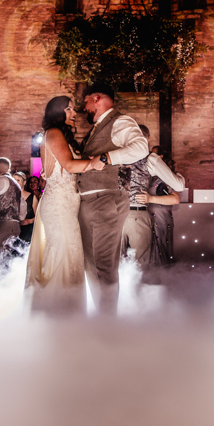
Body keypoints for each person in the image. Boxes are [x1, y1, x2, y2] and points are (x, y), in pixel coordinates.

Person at [25, 95, 104, 314]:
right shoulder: (53, 132)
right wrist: (99, 162)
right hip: (59, 203)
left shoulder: (62, 135)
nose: (74, 113)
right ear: (57, 113)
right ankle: (56, 312)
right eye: (68, 109)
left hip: (68, 204)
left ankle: (68, 311)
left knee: (71, 254)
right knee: (62, 254)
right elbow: (69, 165)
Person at [77, 81, 149, 314]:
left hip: (105, 199)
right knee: (91, 265)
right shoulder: (97, 127)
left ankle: (108, 322)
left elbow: (140, 148)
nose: (84, 107)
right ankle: (101, 315)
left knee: (104, 264)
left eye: (86, 102)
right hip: (89, 200)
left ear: (97, 97)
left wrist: (107, 157)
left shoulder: (120, 120)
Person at [121, 126, 184, 271]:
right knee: (138, 261)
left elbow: (176, 198)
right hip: (140, 216)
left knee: (153, 257)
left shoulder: (168, 175)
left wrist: (150, 199)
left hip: (156, 218)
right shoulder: (144, 164)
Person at [16, 172, 37, 243]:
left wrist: (29, 221)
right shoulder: (9, 197)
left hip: (28, 231)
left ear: (24, 182)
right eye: (13, 180)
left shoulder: (32, 197)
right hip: (14, 230)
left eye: (18, 180)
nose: (15, 182)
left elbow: (39, 216)